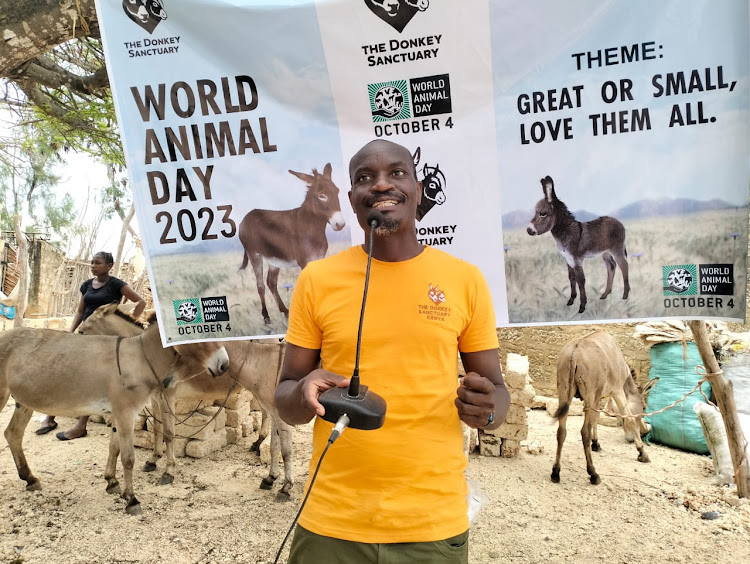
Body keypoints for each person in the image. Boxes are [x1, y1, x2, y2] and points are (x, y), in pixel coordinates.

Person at [275, 139, 511, 563]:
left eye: (396, 173)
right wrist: (305, 388)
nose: (381, 185)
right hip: (331, 521)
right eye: (365, 177)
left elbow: (496, 393)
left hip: (431, 525)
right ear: (352, 199)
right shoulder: (317, 280)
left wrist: (487, 409)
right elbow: (286, 402)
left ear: (418, 190)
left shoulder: (465, 281)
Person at [35, 251, 147, 440]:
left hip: (104, 340)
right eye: (92, 263)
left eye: (98, 263)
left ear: (109, 266)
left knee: (90, 378)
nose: (93, 266)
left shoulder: (116, 285)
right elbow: (80, 311)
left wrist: (128, 321)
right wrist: (71, 332)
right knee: (65, 371)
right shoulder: (86, 285)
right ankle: (50, 416)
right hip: (85, 334)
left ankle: (80, 426)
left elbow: (141, 302)